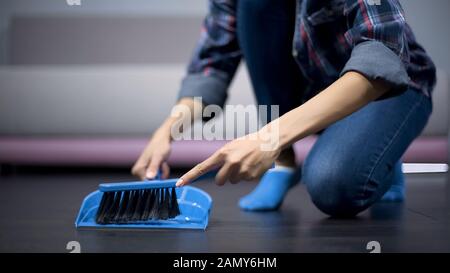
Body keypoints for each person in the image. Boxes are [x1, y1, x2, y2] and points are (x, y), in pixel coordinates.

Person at [132, 0, 436, 217]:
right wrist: (166, 132)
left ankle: (382, 150)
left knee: (333, 184)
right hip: (315, 97)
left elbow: (381, 52)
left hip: (388, 90)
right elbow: (212, 64)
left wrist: (269, 137)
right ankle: (285, 164)